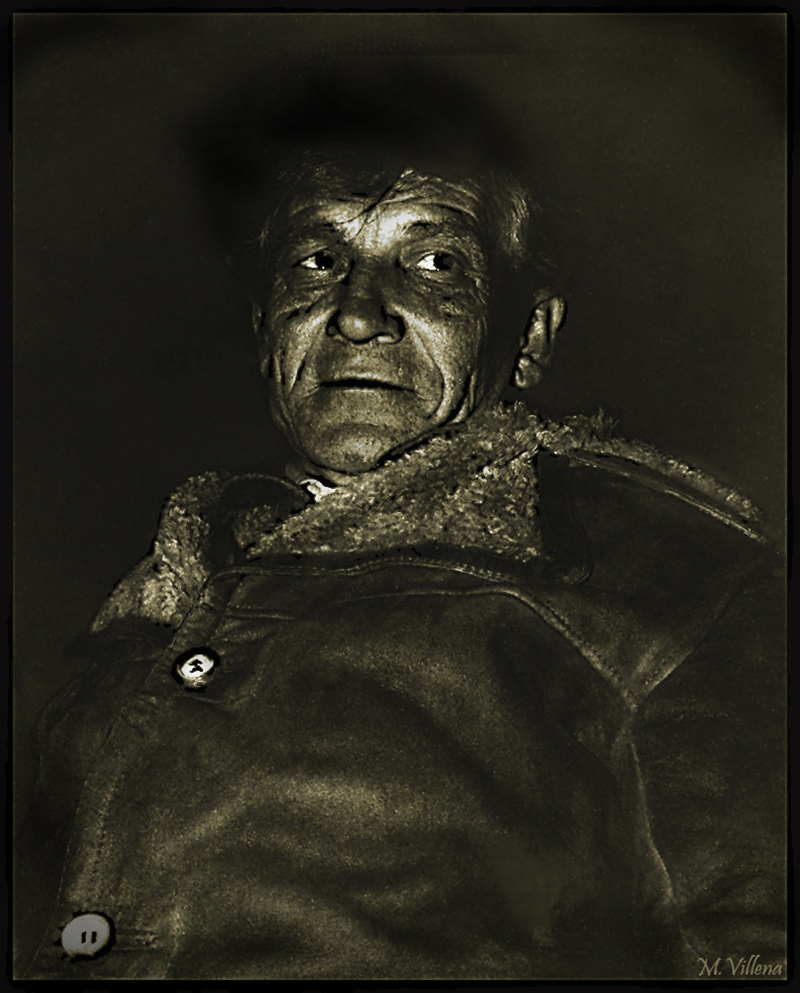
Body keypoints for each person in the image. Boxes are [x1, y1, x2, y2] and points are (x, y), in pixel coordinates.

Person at [15, 65, 785, 980]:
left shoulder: (667, 572)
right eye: (318, 260)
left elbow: (758, 935)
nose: (357, 313)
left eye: (435, 263)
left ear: (529, 338)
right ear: (265, 328)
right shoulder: (144, 596)